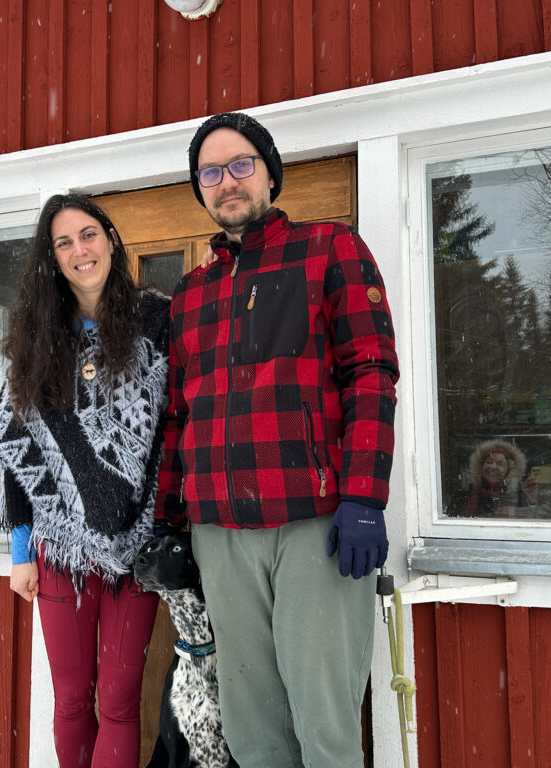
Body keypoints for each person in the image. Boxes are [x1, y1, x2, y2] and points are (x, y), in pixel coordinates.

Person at [154, 112, 399, 767]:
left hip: (314, 521)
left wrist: (364, 497)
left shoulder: (329, 249)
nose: (227, 181)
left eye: (240, 165)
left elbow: (370, 369)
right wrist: (171, 522)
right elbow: (179, 416)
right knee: (252, 731)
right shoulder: (190, 295)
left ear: (269, 173)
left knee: (323, 727)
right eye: (211, 171)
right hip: (221, 533)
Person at [0, 193, 170, 768]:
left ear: (110, 240)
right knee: (71, 701)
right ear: (52, 257)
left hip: (136, 542)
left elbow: (173, 429)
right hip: (57, 546)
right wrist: (21, 551)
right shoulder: (35, 340)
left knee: (119, 701)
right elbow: (19, 450)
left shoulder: (159, 322)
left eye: (88, 234)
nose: (79, 250)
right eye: (63, 242)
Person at [449, 439, 527, 517]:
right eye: (489, 462)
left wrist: (532, 501)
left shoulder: (518, 495)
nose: (493, 467)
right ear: (480, 466)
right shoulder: (463, 495)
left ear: (509, 469)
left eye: (500, 463)